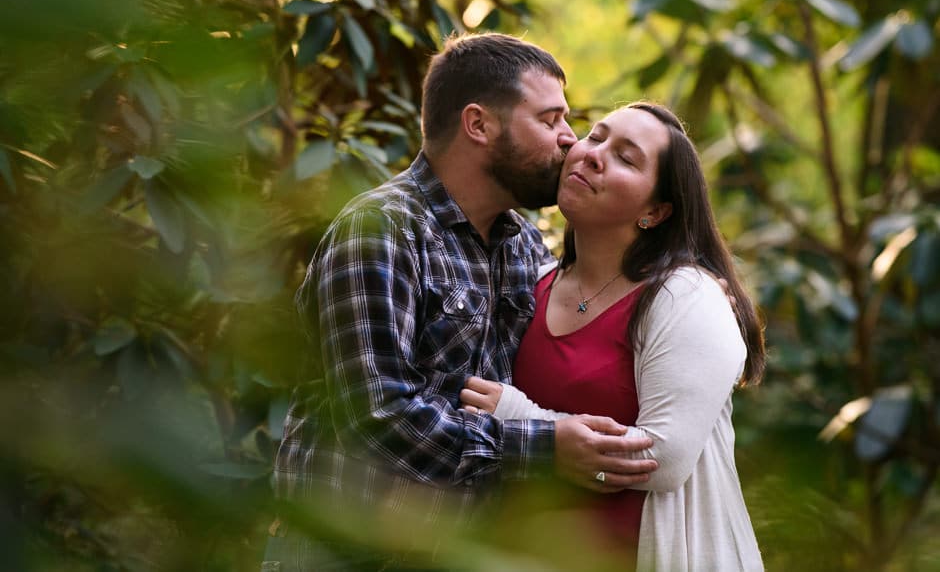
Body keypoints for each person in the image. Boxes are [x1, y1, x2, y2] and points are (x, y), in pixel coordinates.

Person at [265, 34, 659, 571]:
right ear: (479, 125)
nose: (570, 141)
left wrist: (688, 286)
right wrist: (543, 449)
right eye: (549, 121)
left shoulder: (521, 244)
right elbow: (378, 412)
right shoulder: (381, 230)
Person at [460, 102, 766, 571]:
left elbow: (663, 460)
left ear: (655, 211)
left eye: (626, 157)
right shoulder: (531, 283)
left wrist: (525, 421)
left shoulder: (684, 296)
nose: (594, 155)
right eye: (596, 137)